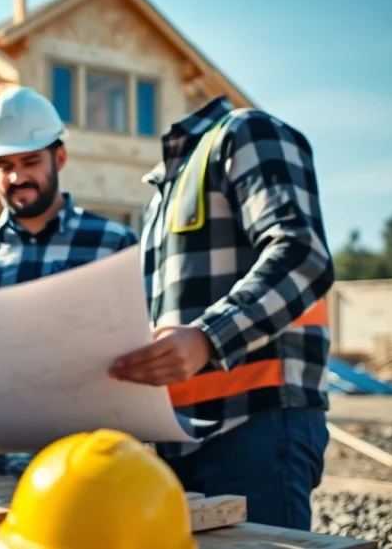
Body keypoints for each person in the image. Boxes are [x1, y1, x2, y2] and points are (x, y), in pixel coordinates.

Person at [109, 95, 335, 530]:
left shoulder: (246, 132)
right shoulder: (161, 194)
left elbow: (303, 255)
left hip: (257, 423)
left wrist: (207, 337)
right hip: (180, 438)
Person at [0, 86, 139, 476]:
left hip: (91, 463)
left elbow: (135, 358)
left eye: (30, 161)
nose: (18, 176)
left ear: (61, 157)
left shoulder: (114, 244)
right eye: (4, 165)